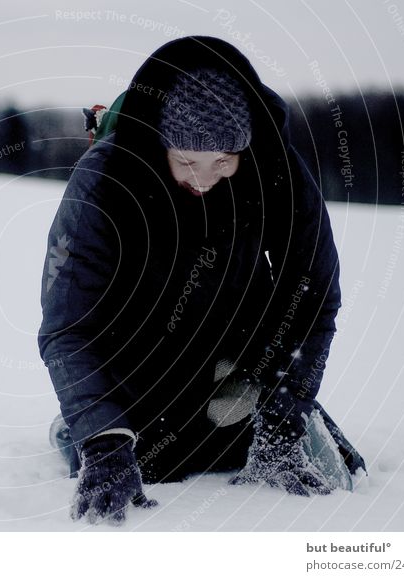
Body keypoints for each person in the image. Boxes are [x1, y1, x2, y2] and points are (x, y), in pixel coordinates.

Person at [37, 36, 366, 526]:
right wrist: (104, 440)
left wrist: (282, 420)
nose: (206, 178)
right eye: (187, 161)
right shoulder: (105, 177)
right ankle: (85, 426)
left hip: (238, 344)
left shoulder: (276, 168)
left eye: (223, 162)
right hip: (138, 350)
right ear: (160, 141)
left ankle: (266, 412)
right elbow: (68, 326)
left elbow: (314, 299)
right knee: (152, 462)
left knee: (330, 472)